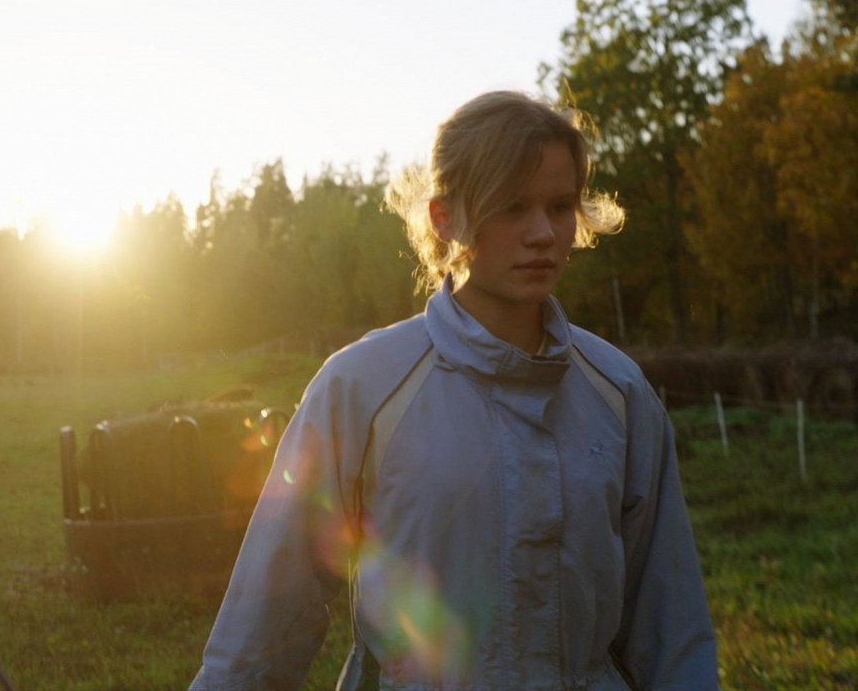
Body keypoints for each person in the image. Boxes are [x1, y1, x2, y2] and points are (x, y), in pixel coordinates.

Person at [189, 90, 717, 690]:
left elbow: (671, 626)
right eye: (511, 207)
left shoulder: (619, 393)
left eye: (560, 205)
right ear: (446, 218)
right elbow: (267, 616)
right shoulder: (361, 389)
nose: (543, 232)